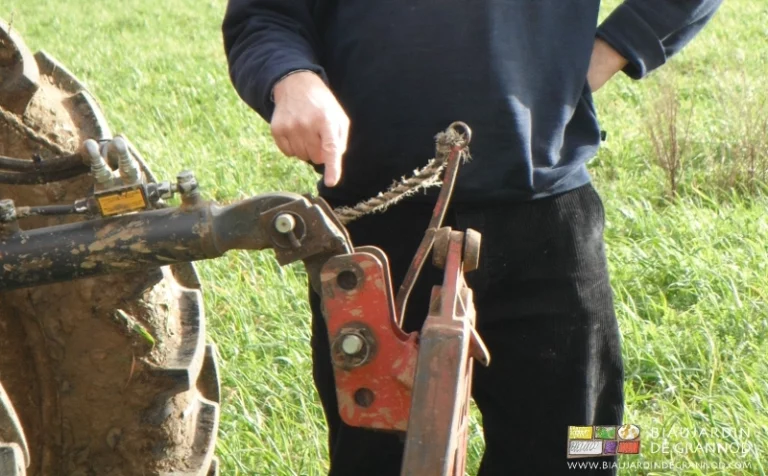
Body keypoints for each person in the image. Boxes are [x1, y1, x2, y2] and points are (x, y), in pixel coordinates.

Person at [222, 1, 722, 474]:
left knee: (584, 445)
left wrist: (610, 51)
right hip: (375, 235)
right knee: (371, 455)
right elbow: (264, 15)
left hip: (551, 222)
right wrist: (291, 79)